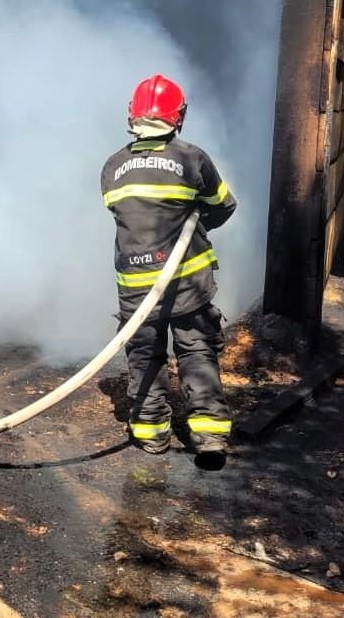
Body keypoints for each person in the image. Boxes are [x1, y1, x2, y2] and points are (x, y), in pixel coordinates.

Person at [101, 73, 237, 464]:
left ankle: (151, 434)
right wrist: (194, 218)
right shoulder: (191, 159)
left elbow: (122, 211)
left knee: (144, 356)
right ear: (178, 116)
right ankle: (209, 436)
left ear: (133, 116)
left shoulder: (112, 166)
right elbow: (224, 205)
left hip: (135, 289)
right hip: (187, 284)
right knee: (196, 351)